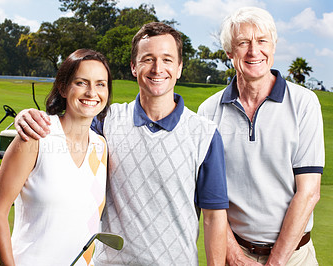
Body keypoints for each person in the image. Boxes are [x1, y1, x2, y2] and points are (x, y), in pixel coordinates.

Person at [14, 22, 229, 265]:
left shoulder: (205, 134)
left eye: (167, 60)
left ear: (179, 68)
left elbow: (214, 218)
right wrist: (27, 115)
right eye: (148, 59)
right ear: (133, 67)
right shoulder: (105, 120)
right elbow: (67, 123)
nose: (158, 68)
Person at [197, 7, 324, 265]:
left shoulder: (305, 103)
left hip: (295, 257)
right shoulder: (208, 111)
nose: (254, 51)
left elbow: (309, 192)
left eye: (262, 41)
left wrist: (274, 262)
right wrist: (232, 254)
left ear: (274, 46)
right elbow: (210, 195)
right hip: (235, 255)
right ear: (230, 52)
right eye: (243, 42)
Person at [0, 49, 112, 266]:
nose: (92, 92)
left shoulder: (100, 147)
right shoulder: (35, 137)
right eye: (81, 82)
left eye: (100, 84)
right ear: (63, 87)